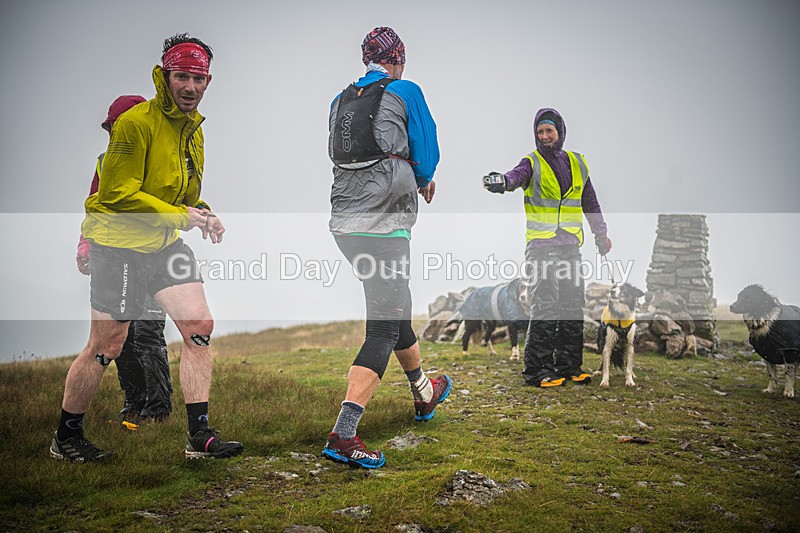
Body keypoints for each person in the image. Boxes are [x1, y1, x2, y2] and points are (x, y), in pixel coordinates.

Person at [50, 33, 243, 462]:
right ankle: (66, 438)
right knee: (107, 346)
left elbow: (183, 195)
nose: (190, 86)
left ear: (208, 81)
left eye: (198, 78)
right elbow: (116, 194)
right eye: (181, 77)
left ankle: (199, 436)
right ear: (164, 76)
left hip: (162, 244)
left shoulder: (194, 132)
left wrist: (204, 213)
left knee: (199, 327)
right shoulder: (134, 123)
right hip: (117, 247)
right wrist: (180, 216)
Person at [321, 27, 452, 469]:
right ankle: (344, 434)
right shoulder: (404, 90)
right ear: (398, 59)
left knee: (396, 306)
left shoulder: (340, 100)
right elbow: (427, 148)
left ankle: (424, 393)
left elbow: (337, 153)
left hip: (345, 225)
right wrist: (421, 179)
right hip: (385, 226)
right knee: (382, 325)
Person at [483, 108, 612, 388]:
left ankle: (568, 367)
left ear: (560, 132)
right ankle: (537, 371)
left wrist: (601, 234)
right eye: (540, 132)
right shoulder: (532, 162)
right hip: (541, 248)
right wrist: (502, 182)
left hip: (570, 248)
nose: (544, 136)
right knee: (545, 307)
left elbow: (590, 202)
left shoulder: (578, 163)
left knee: (571, 307)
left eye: (549, 131)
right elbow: (515, 177)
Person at [76, 95, 173, 424]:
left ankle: (158, 408)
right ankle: (134, 401)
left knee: (147, 330)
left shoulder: (159, 160)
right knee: (122, 336)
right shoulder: (105, 162)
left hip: (152, 258)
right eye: (114, 128)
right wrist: (85, 247)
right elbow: (94, 207)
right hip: (114, 258)